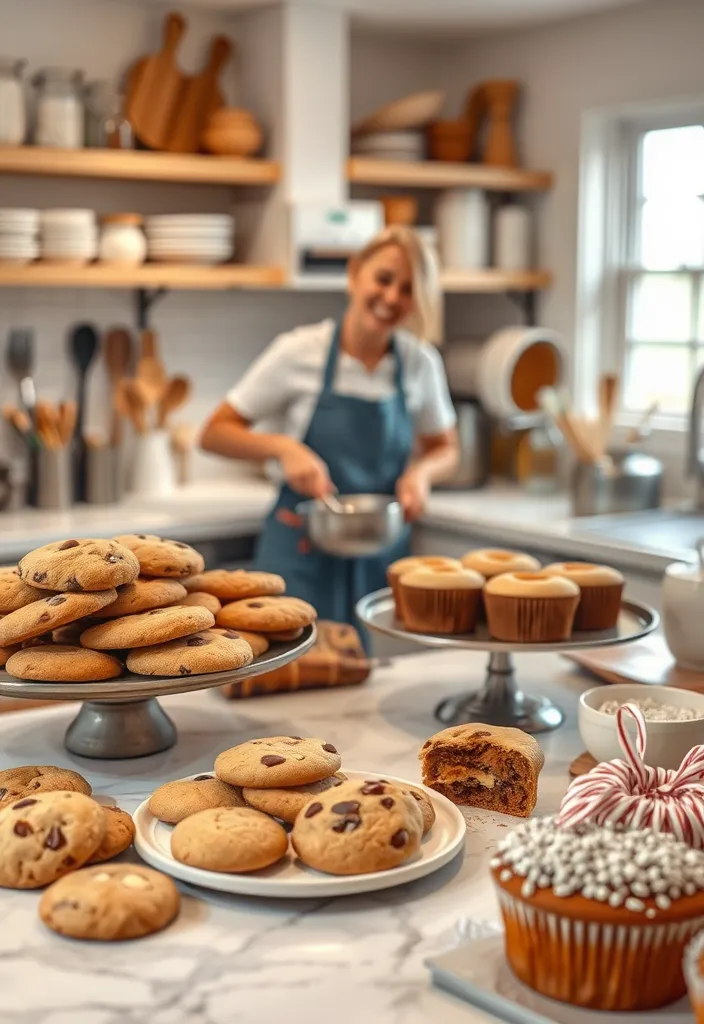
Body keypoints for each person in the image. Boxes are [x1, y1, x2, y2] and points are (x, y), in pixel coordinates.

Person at [200, 226, 459, 626]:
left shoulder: (419, 363)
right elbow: (214, 433)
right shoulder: (300, 351)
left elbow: (446, 448)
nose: (391, 298)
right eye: (384, 279)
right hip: (299, 551)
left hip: (380, 554)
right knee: (291, 675)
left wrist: (421, 474)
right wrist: (285, 449)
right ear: (354, 274)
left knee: (373, 676)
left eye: (408, 289)